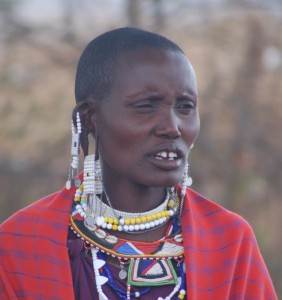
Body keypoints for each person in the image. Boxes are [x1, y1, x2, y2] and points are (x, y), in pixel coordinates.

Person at [0, 27, 277, 300]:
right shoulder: (20, 244)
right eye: (146, 106)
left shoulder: (229, 241)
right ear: (88, 118)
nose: (172, 127)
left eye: (185, 106)